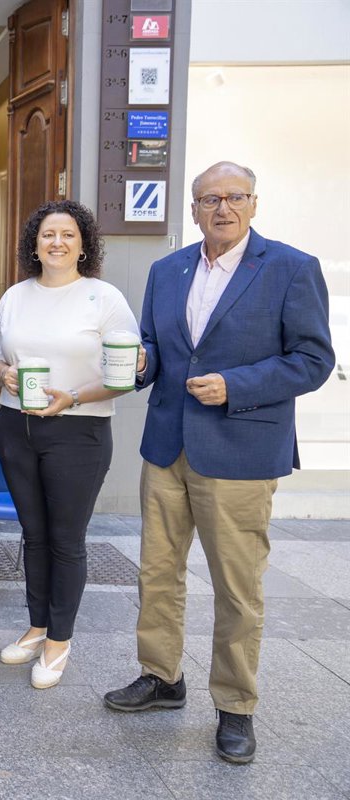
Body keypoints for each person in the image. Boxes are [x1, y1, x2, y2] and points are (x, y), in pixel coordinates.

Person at [104, 162, 335, 764]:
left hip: (240, 450)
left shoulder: (291, 268)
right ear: (194, 208)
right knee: (157, 572)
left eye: (235, 197)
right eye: (210, 199)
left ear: (254, 203)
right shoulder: (168, 269)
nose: (222, 208)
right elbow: (157, 346)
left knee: (237, 586)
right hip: (167, 446)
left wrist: (236, 385)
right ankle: (161, 676)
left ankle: (235, 705)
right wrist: (141, 362)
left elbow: (313, 360)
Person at [0, 200, 137, 688]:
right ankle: (37, 626)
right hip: (16, 426)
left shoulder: (104, 298)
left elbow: (125, 374)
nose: (57, 242)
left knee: (66, 538)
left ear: (84, 244)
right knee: (34, 534)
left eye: (68, 234)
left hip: (79, 430)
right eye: (48, 234)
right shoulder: (15, 296)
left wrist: (73, 397)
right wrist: (2, 374)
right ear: (34, 244)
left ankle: (59, 641)